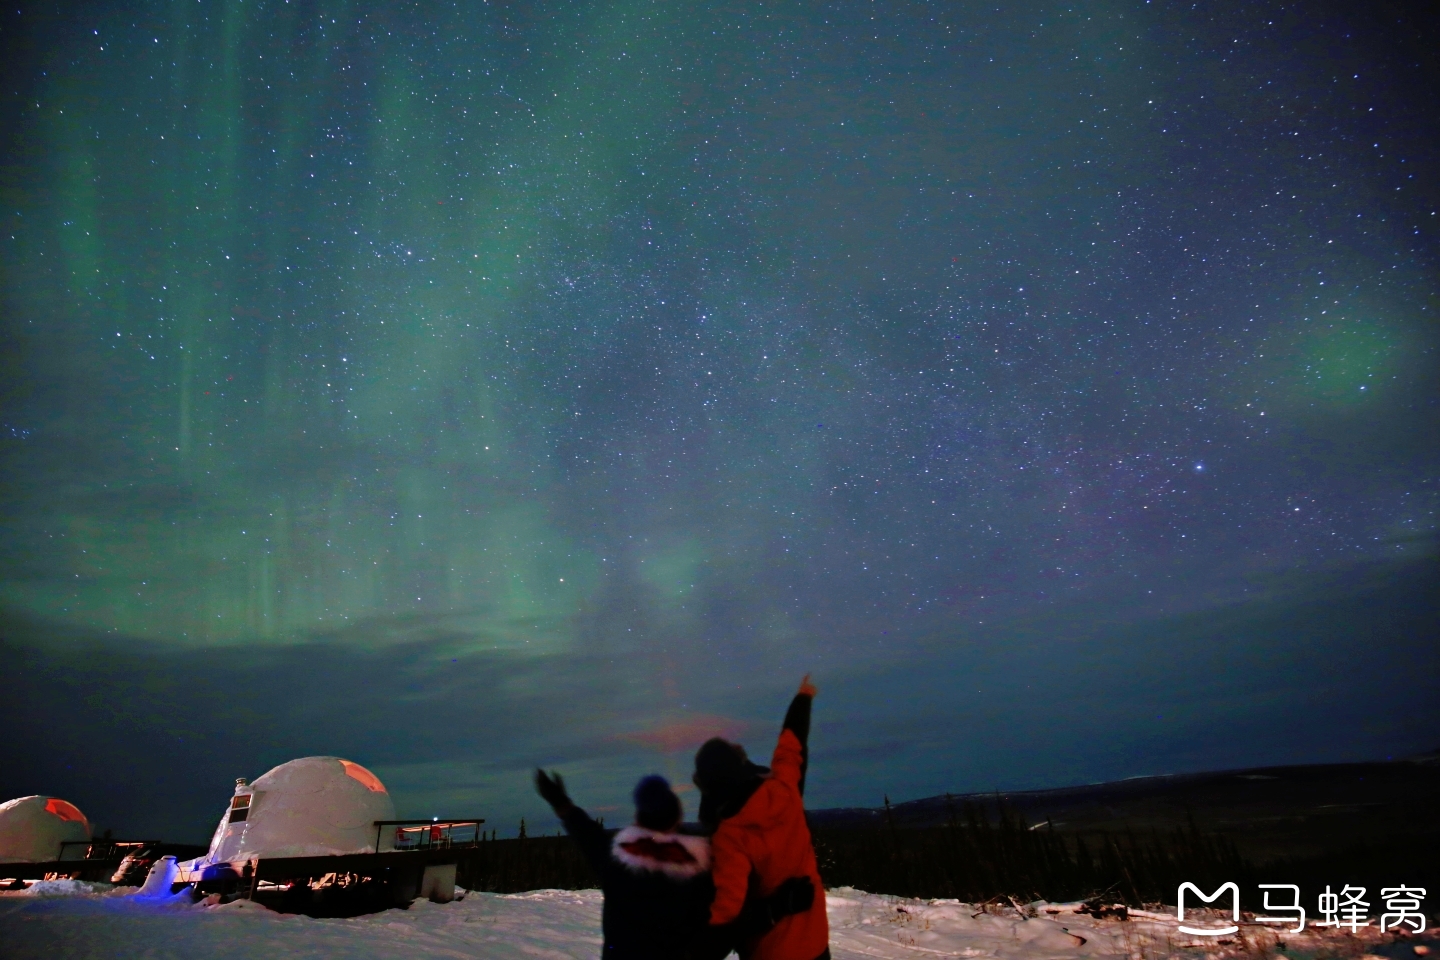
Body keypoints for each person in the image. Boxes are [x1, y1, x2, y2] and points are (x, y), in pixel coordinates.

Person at [534, 769, 813, 960]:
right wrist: (781, 904)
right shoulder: (702, 874)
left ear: (640, 819)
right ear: (678, 818)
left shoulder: (615, 860)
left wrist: (560, 802)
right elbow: (730, 925)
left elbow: (586, 833)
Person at [694, 675, 828, 960]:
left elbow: (725, 919)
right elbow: (792, 744)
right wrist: (802, 697)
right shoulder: (785, 790)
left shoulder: (730, 837)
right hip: (817, 945)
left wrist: (775, 908)